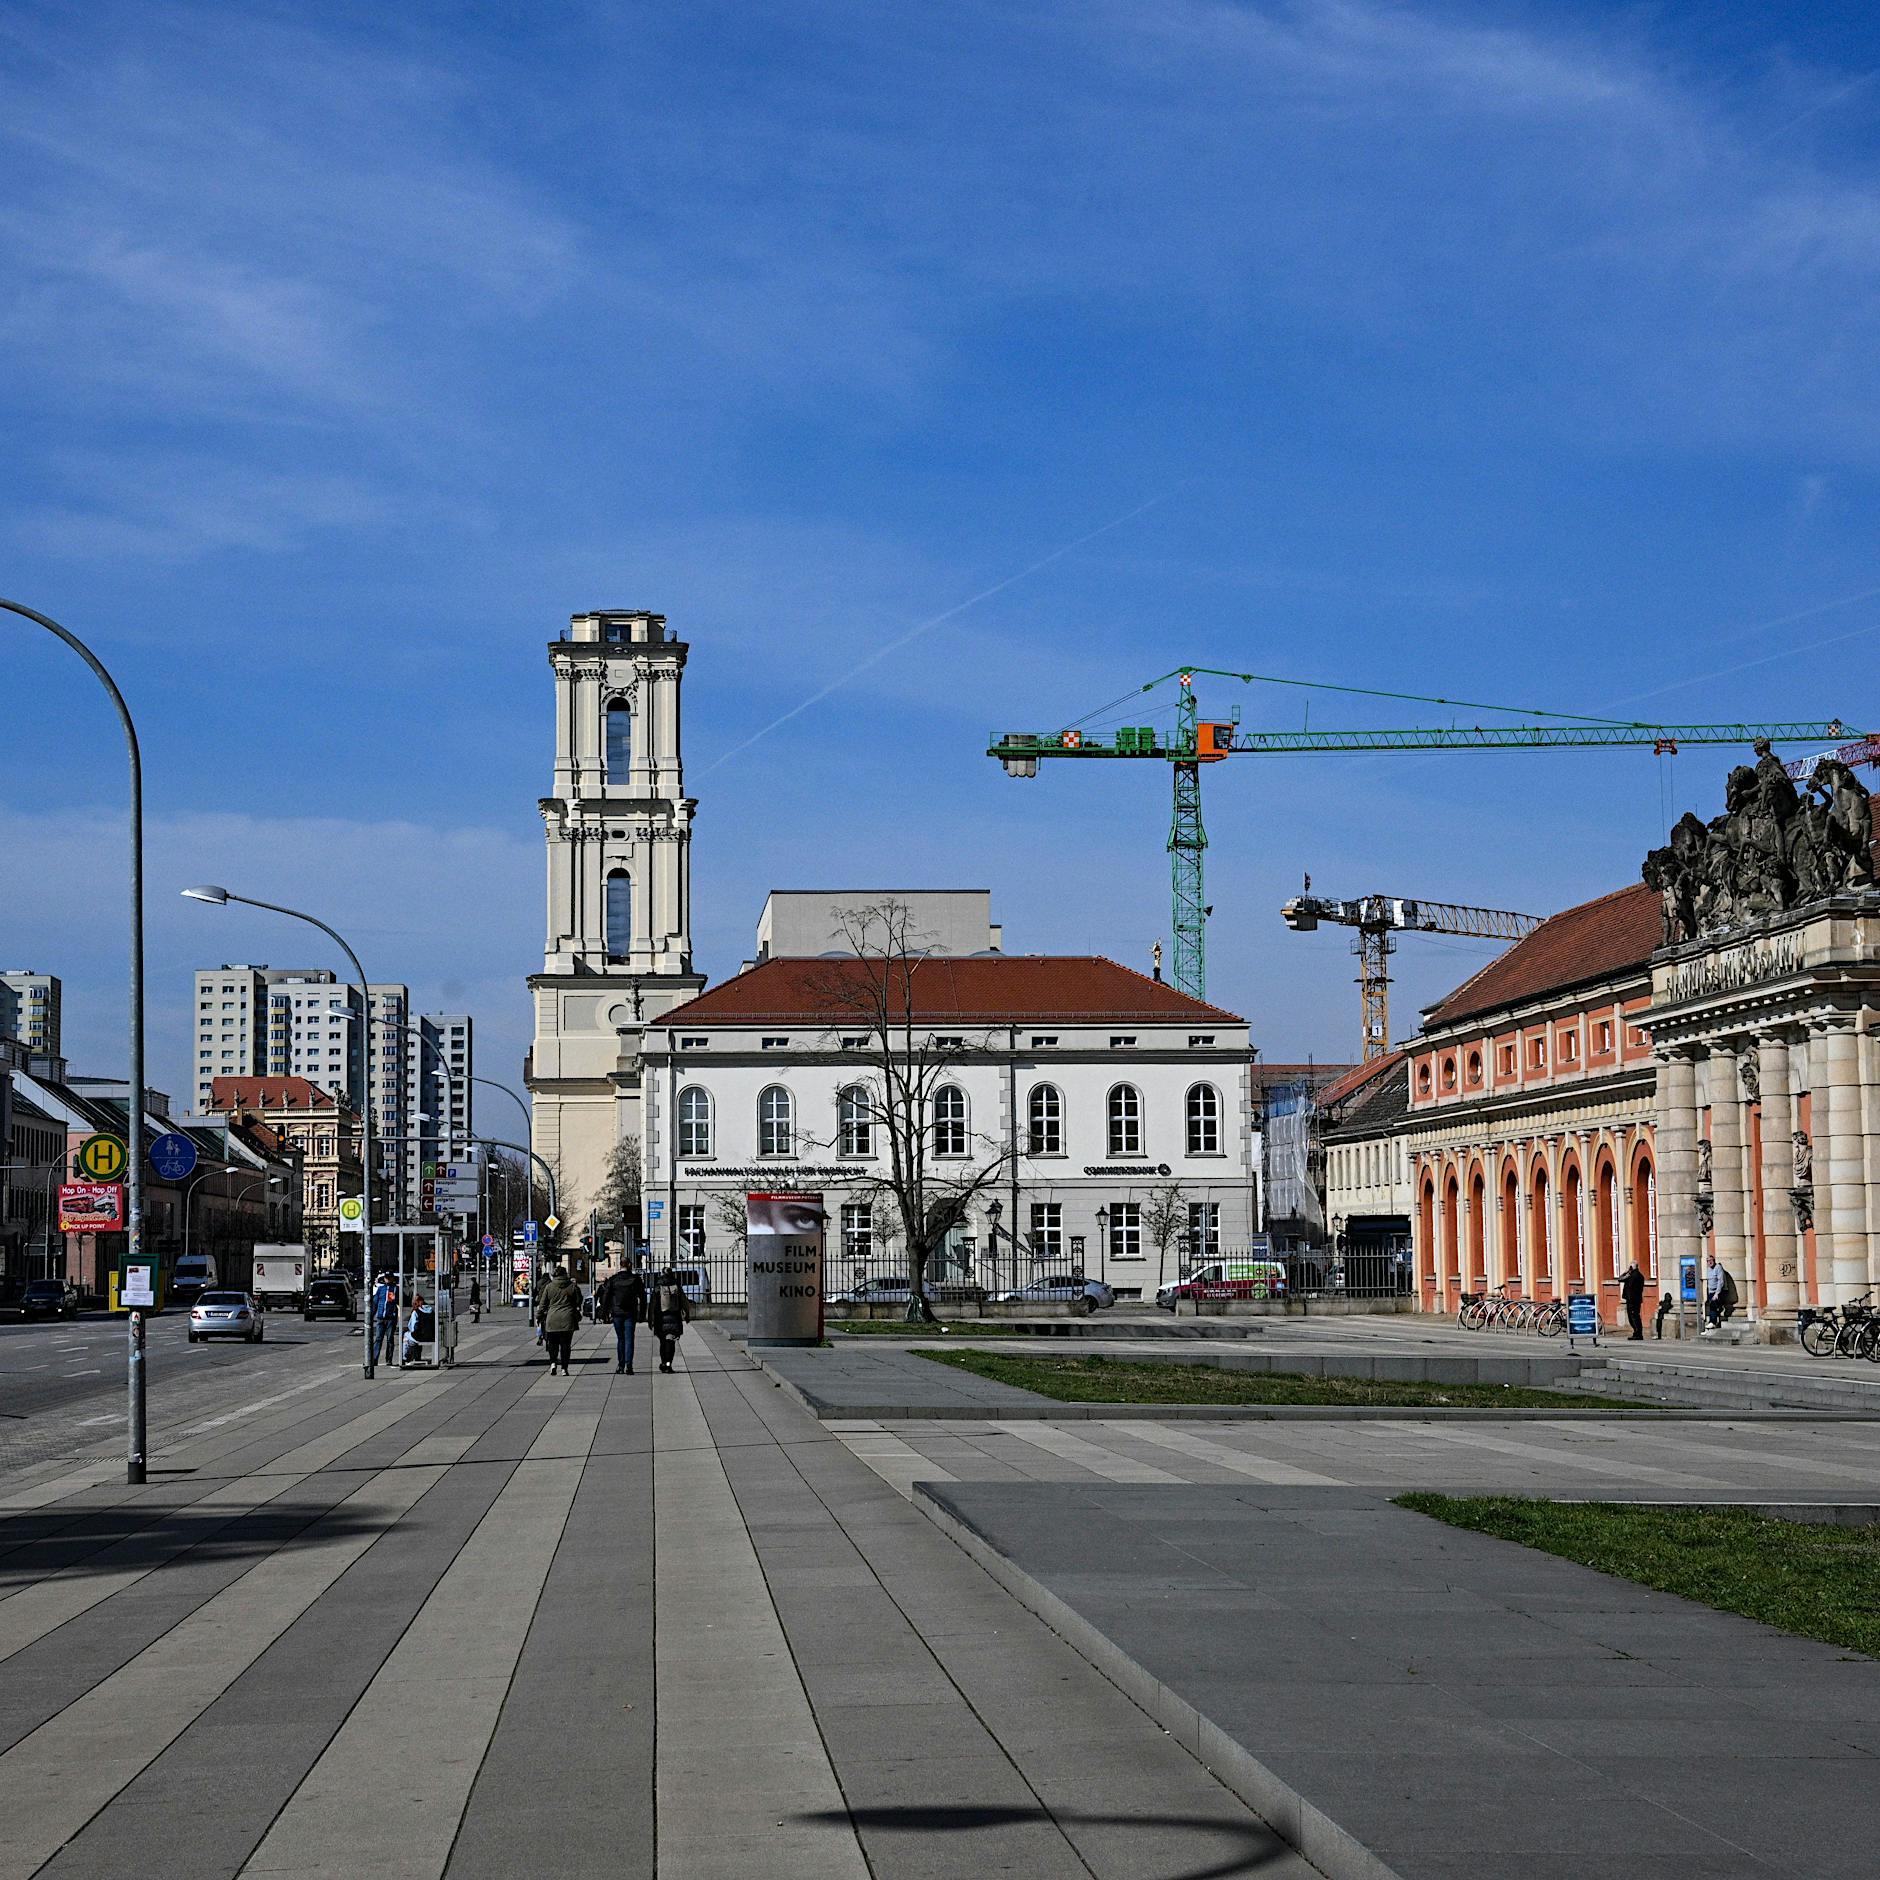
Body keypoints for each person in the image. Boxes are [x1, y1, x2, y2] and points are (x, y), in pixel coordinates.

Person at [598, 1263, 647, 1375]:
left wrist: (603, 1312)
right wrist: (642, 1314)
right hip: (630, 1312)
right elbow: (643, 1296)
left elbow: (606, 1296)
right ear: (629, 1265)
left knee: (621, 1339)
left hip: (617, 1312)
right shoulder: (635, 1279)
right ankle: (629, 1366)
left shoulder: (614, 1279)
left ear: (620, 1265)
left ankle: (621, 1366)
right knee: (629, 1339)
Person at [536, 1263, 582, 1376]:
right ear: (565, 1274)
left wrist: (538, 1316)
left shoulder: (549, 1286)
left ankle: (553, 1364)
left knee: (552, 1344)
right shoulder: (572, 1286)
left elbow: (542, 1304)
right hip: (568, 1318)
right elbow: (579, 1300)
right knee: (566, 1345)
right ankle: (564, 1368)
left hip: (552, 1319)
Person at [647, 1267, 690, 1373]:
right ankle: (668, 1365)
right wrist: (687, 1314)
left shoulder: (658, 1286)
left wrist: (650, 1319)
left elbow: (652, 1303)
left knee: (663, 1342)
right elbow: (684, 1301)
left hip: (661, 1318)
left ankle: (663, 1363)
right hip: (674, 1317)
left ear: (662, 1274)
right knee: (671, 1342)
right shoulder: (676, 1285)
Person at [371, 1271, 398, 1367]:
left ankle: (389, 1359)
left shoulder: (395, 1289)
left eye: (389, 1277)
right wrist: (371, 1315)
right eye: (386, 1277)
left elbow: (400, 1301)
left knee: (390, 1339)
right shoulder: (381, 1289)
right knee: (378, 1338)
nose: (387, 1279)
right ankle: (374, 1359)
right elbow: (375, 1302)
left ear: (392, 1278)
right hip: (381, 1317)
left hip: (391, 1318)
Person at [401, 1293, 431, 1367]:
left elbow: (413, 1327)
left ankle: (404, 1357)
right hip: (431, 1336)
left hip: (419, 1336)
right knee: (411, 1337)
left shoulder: (416, 1312)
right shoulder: (431, 1311)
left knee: (406, 1336)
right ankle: (416, 1356)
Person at [1620, 1261, 1646, 1341]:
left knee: (1633, 1317)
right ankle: (1637, 1333)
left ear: (1631, 1267)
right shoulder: (1640, 1276)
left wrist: (1626, 1272)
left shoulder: (1631, 1276)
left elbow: (1620, 1279)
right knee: (1636, 1316)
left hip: (1631, 1300)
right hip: (1637, 1299)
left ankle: (1637, 1333)